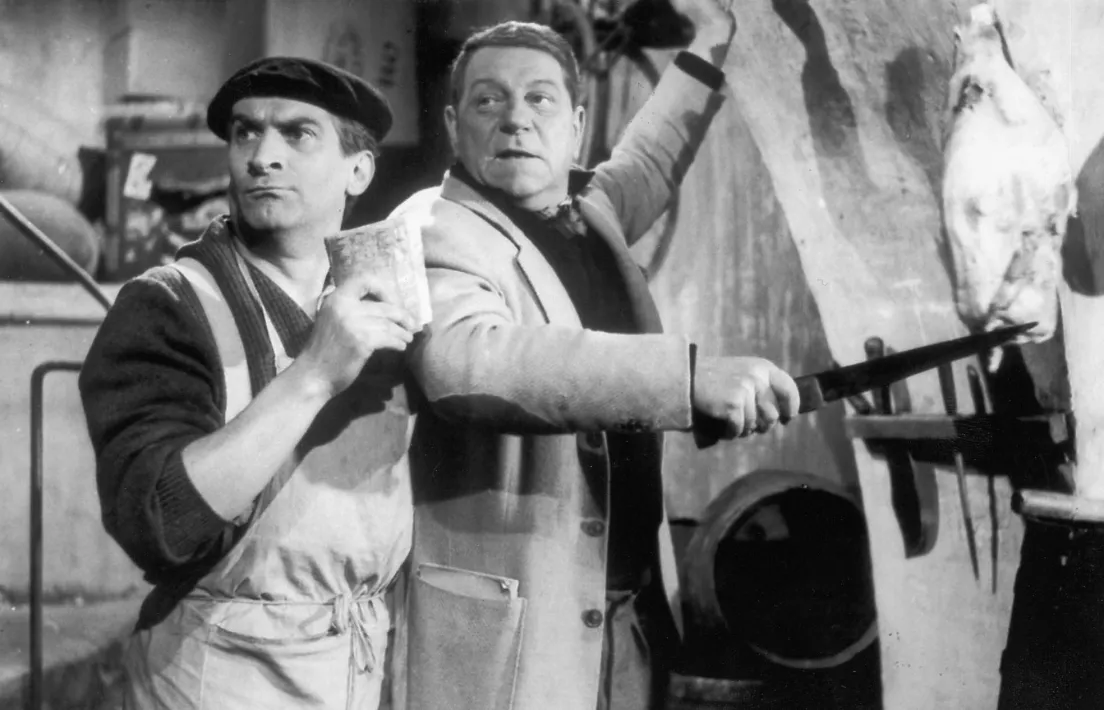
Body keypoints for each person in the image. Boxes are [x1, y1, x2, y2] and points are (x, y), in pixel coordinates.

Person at [391, 1, 801, 708]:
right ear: (455, 125)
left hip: (626, 611)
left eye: (540, 99)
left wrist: (713, 37)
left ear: (576, 126)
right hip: (515, 631)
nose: (515, 119)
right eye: (489, 100)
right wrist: (687, 379)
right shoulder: (431, 229)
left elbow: (652, 155)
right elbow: (468, 361)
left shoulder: (591, 213)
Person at [79, 57, 419, 709]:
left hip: (355, 667)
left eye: (298, 134)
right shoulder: (169, 304)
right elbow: (157, 522)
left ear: (359, 170)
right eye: (246, 133)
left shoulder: (388, 298)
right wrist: (314, 374)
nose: (263, 157)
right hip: (220, 675)